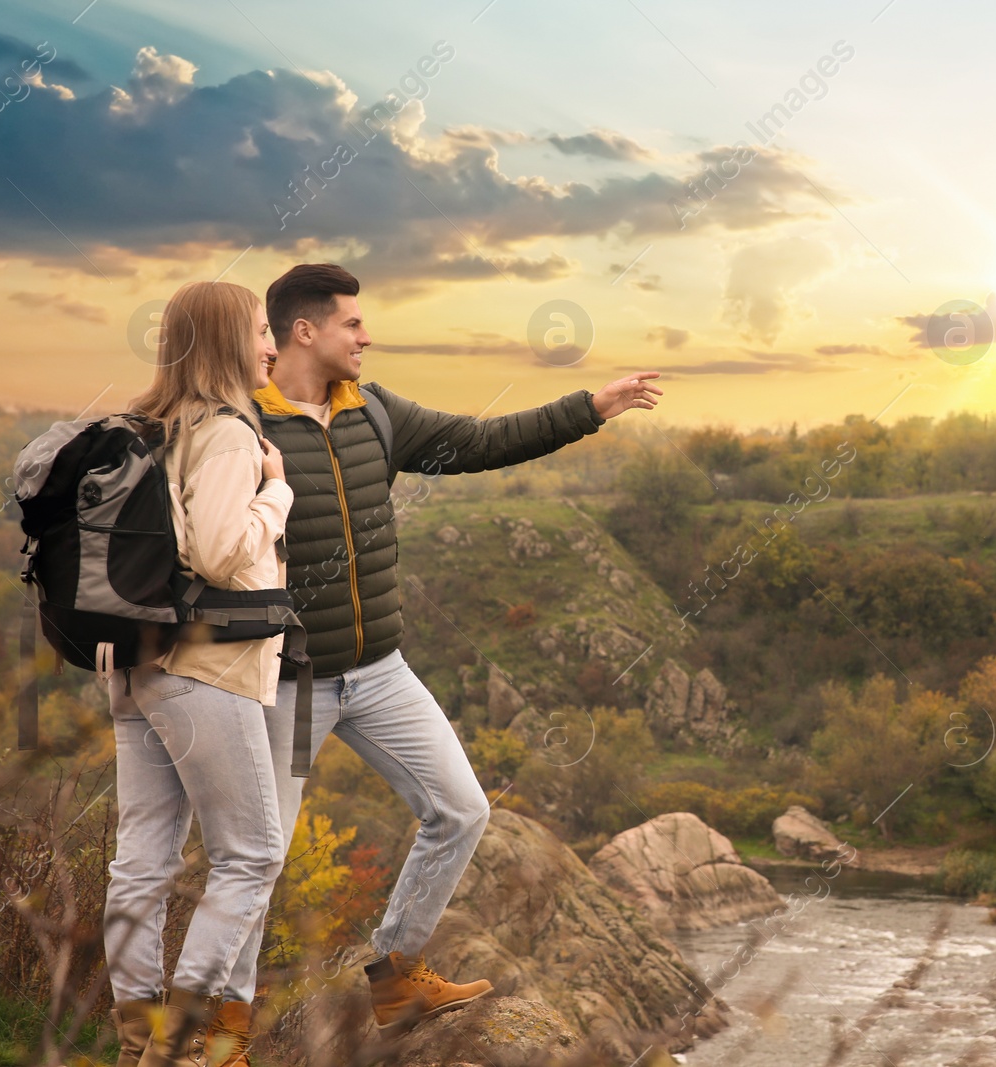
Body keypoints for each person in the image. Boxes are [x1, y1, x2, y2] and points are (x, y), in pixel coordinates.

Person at [243, 263, 661, 1035]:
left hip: (379, 670)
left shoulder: (375, 412)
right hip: (287, 679)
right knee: (258, 858)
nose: (368, 335)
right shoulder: (241, 426)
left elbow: (481, 440)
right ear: (305, 331)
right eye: (352, 323)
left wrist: (589, 408)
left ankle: (397, 974)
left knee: (461, 810)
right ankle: (221, 1036)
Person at [104, 282, 293, 1067]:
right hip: (205, 668)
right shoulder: (225, 435)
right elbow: (218, 551)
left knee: (142, 858)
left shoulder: (148, 430)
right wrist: (276, 490)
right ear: (223, 343)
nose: (272, 347)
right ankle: (178, 1047)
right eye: (259, 332)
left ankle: (134, 1037)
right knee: (252, 854)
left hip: (135, 663)